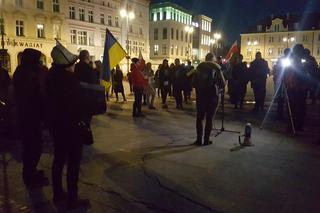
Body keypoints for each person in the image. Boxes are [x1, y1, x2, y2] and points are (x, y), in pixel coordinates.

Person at [47, 43, 92, 210]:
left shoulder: (51, 76)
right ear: (67, 66)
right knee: (73, 164)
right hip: (72, 128)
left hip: (57, 127)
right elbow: (78, 104)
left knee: (58, 160)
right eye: (72, 64)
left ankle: (58, 193)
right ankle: (72, 199)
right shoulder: (70, 80)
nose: (74, 66)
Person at [12, 48, 49, 187]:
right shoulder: (28, 73)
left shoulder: (22, 71)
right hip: (30, 115)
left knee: (31, 146)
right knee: (33, 146)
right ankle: (29, 175)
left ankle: (31, 172)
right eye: (37, 60)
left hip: (28, 115)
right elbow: (37, 94)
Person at [193, 53, 225, 146]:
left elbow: (193, 83)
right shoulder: (216, 67)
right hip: (212, 97)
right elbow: (223, 83)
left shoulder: (199, 68)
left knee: (199, 118)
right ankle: (206, 140)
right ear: (213, 59)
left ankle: (199, 140)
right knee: (209, 119)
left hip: (200, 96)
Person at [284, 44, 309, 131]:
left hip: (299, 87)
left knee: (298, 107)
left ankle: (296, 125)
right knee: (294, 107)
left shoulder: (303, 61)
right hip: (294, 87)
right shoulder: (293, 60)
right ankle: (293, 125)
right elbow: (287, 73)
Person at [273, 48, 290, 119]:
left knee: (288, 98)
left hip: (288, 80)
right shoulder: (281, 59)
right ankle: (279, 113)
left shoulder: (291, 60)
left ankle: (288, 114)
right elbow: (276, 68)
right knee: (280, 97)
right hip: (281, 79)